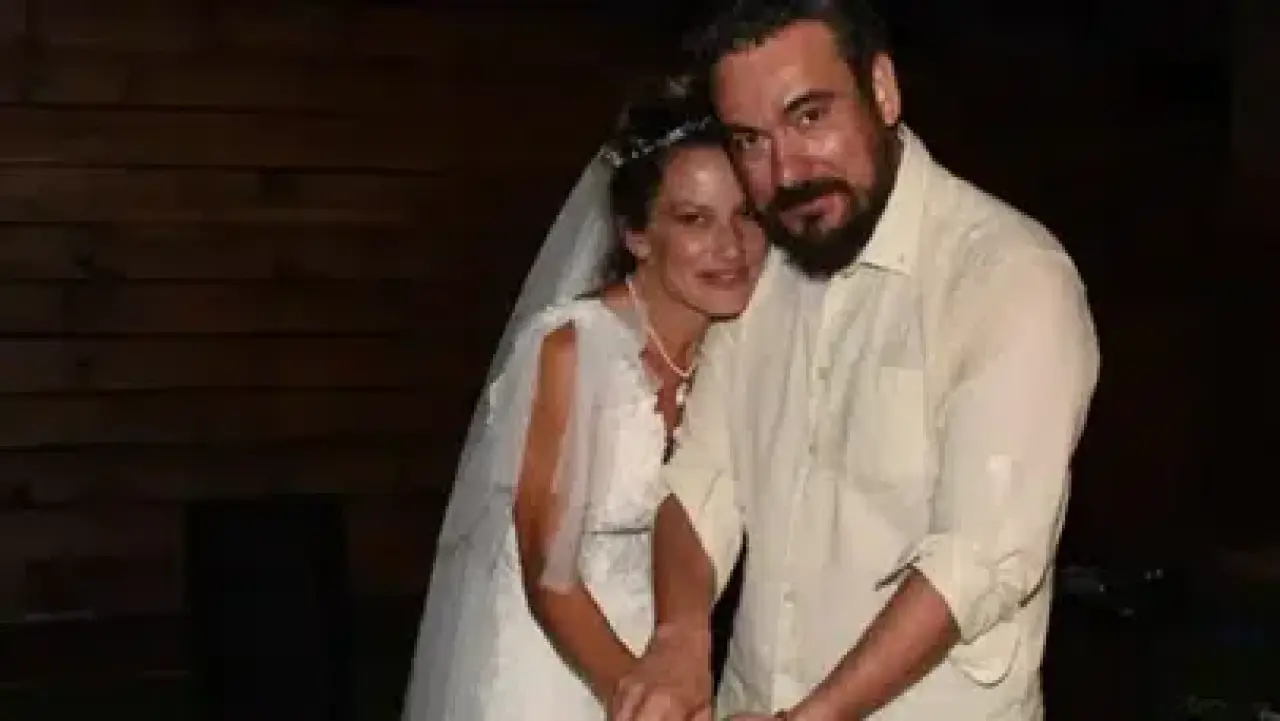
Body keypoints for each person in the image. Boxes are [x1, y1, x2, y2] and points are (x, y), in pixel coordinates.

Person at [609, 1, 1102, 720]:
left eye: (810, 117)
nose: (786, 172)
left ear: (883, 91)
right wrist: (679, 637)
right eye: (751, 141)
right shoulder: (765, 269)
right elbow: (703, 480)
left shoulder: (1011, 277)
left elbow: (975, 559)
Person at [400, 77, 769, 721]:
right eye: (694, 220)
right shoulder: (574, 350)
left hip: (668, 660)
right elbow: (550, 573)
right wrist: (643, 701)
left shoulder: (737, 347)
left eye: (747, 215)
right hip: (556, 667)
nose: (731, 246)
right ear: (637, 236)